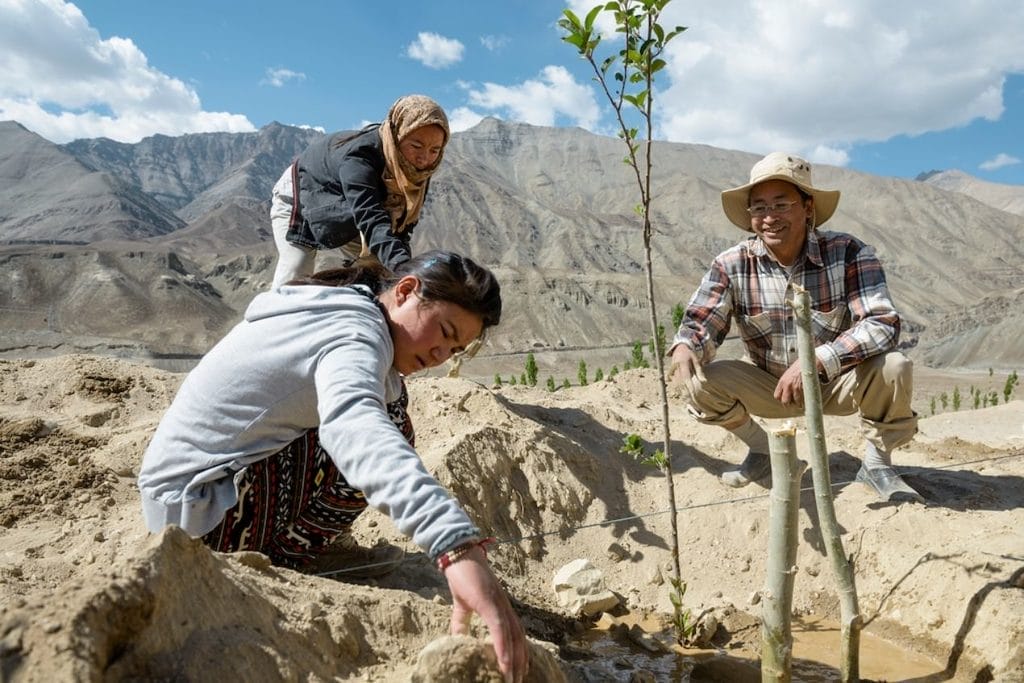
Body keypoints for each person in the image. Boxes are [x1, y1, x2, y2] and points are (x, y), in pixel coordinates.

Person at [138, 250, 528, 681]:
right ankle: (272, 558)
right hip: (195, 517)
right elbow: (355, 427)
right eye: (444, 331)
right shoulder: (353, 332)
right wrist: (455, 546)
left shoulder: (347, 308)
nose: (439, 354)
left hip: (188, 496)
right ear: (406, 291)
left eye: (454, 349)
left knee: (392, 401)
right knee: (389, 423)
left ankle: (280, 552)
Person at [669, 152, 922, 503]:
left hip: (834, 382)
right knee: (698, 376)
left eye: (781, 205)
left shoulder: (848, 252)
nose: (768, 217)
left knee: (894, 366)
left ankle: (877, 464)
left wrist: (817, 361)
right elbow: (703, 317)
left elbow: (882, 323)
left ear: (807, 208)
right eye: (758, 208)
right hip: (771, 387)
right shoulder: (732, 263)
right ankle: (763, 453)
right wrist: (687, 345)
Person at [270, 94, 449, 288]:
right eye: (416, 146)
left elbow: (402, 227)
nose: (424, 158)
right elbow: (370, 217)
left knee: (380, 276)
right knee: (295, 273)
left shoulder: (417, 169)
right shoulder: (360, 157)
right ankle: (271, 316)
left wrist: (404, 267)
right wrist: (404, 268)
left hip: (349, 207)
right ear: (398, 136)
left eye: (435, 150)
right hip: (301, 192)